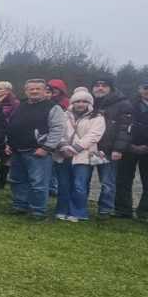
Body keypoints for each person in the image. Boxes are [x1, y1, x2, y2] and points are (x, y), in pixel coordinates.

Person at [5, 79, 67, 221]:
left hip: (37, 151)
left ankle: (38, 210)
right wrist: (9, 143)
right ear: (26, 91)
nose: (34, 91)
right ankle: (20, 205)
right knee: (17, 180)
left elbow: (58, 129)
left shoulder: (53, 107)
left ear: (45, 91)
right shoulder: (21, 106)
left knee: (38, 182)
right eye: (30, 89)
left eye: (37, 89)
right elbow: (13, 125)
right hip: (17, 149)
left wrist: (47, 147)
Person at [53, 88, 106, 222]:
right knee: (63, 184)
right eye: (77, 101)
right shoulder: (64, 115)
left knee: (79, 185)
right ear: (73, 102)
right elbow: (58, 130)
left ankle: (78, 212)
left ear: (89, 103)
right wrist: (63, 146)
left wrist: (76, 147)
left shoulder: (97, 117)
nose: (80, 104)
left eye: (84, 101)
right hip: (63, 153)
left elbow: (94, 135)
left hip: (83, 155)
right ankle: (61, 210)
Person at [89, 76, 132, 220]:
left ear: (111, 88)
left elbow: (125, 128)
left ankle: (105, 210)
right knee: (82, 181)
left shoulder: (123, 104)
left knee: (107, 183)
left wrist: (118, 149)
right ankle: (80, 207)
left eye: (104, 85)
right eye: (97, 85)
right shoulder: (89, 102)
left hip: (108, 150)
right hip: (88, 148)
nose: (100, 88)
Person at [120, 82, 148, 220]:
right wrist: (129, 145)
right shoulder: (129, 105)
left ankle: (144, 211)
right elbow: (122, 126)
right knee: (124, 180)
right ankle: (123, 210)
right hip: (128, 148)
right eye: (146, 88)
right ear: (140, 89)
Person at [0, 80, 20, 189]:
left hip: (7, 132)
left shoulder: (14, 103)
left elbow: (15, 118)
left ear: (8, 91)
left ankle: (2, 180)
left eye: (0, 89)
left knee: (5, 157)